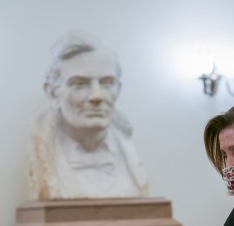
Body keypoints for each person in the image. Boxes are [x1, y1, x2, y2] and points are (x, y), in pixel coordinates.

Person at [29, 31, 148, 199]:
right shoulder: (43, 150)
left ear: (118, 89)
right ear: (52, 93)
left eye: (107, 83)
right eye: (80, 84)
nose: (97, 96)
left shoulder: (127, 150)